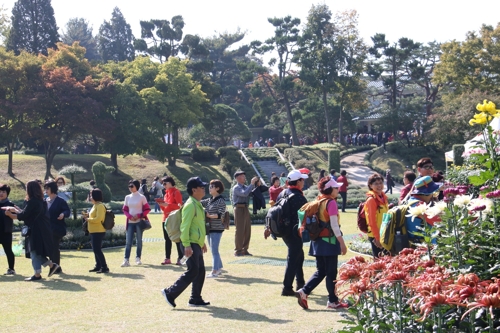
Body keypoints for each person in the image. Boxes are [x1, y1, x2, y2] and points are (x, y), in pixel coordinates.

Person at [295, 176, 349, 310]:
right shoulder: (331, 203)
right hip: (329, 242)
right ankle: (332, 301)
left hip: (318, 241)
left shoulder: (319, 200)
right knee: (331, 273)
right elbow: (335, 226)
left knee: (321, 271)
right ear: (330, 189)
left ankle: (304, 291)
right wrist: (342, 243)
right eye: (336, 187)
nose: (338, 189)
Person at [161, 177, 210, 308]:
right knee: (193, 270)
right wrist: (187, 244)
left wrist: (201, 242)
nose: (203, 189)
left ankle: (195, 298)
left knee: (200, 271)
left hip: (195, 242)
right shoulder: (190, 205)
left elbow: (198, 226)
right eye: (201, 187)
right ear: (194, 190)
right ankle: (170, 293)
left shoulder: (197, 204)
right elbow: (185, 226)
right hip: (190, 242)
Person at [3, 180, 58, 281]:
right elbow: (27, 214)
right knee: (36, 251)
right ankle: (51, 266)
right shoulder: (41, 200)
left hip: (36, 230)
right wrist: (15, 210)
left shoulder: (33, 201)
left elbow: (24, 215)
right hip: (41, 229)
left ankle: (38, 273)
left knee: (34, 251)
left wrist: (10, 215)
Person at [277, 170, 308, 296]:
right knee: (293, 258)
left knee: (298, 256)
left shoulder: (282, 193)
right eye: (302, 180)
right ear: (299, 181)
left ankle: (300, 282)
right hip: (295, 232)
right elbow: (306, 213)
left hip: (284, 231)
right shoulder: (299, 196)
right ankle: (287, 287)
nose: (304, 182)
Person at [122, 179, 151, 267]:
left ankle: (138, 258)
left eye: (132, 186)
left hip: (139, 222)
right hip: (130, 222)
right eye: (129, 186)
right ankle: (126, 259)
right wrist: (130, 216)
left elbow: (147, 209)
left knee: (139, 241)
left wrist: (139, 215)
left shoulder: (142, 197)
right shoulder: (127, 197)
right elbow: (124, 209)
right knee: (128, 241)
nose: (130, 188)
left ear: (137, 187)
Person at [201, 179, 227, 278]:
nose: (209, 188)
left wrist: (208, 215)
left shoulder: (221, 200)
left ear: (217, 188)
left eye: (212, 187)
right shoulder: (210, 199)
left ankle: (214, 271)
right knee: (213, 250)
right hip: (209, 228)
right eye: (210, 186)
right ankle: (219, 268)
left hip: (217, 228)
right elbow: (199, 202)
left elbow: (220, 215)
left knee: (214, 250)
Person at [405, 176, 441, 244]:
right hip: (422, 245)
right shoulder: (419, 206)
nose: (433, 195)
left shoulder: (411, 200)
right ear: (427, 193)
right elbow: (438, 221)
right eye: (432, 192)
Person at [44, 181, 70, 274]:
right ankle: (54, 267)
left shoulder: (60, 201)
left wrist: (63, 214)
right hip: (47, 229)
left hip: (56, 229)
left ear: (53, 189)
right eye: (45, 188)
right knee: (49, 248)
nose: (46, 190)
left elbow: (67, 211)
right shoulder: (45, 201)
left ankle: (56, 267)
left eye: (47, 188)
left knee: (54, 248)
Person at [231, 170, 258, 256]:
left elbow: (252, 193)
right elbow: (245, 194)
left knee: (247, 230)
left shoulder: (245, 186)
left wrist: (257, 185)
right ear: (238, 178)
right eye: (243, 176)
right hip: (239, 209)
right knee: (240, 230)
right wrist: (252, 183)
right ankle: (238, 250)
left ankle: (244, 249)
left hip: (245, 208)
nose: (244, 177)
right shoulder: (236, 188)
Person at [159, 176, 184, 265]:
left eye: (165, 183)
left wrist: (167, 204)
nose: (163, 185)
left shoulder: (176, 192)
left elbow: (179, 206)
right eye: (162, 184)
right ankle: (167, 258)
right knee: (167, 239)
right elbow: (165, 208)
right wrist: (161, 205)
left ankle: (180, 258)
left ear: (170, 183)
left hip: (174, 219)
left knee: (177, 238)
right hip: (165, 218)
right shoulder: (166, 194)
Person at [84, 188, 109, 273]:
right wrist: (87, 215)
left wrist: (88, 220)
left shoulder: (100, 206)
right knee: (95, 249)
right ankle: (98, 266)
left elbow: (99, 219)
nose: (90, 197)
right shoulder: (95, 205)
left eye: (91, 195)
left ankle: (104, 267)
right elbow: (94, 216)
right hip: (93, 231)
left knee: (97, 249)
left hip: (98, 231)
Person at [364, 173, 389, 258]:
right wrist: (377, 238)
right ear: (370, 186)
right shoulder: (371, 199)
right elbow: (371, 221)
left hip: (384, 233)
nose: (379, 186)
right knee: (379, 262)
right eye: (376, 184)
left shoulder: (383, 197)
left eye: (381, 183)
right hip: (376, 236)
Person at [0, 184, 16, 275]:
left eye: (3, 192)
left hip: (6, 231)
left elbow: (19, 214)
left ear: (7, 193)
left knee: (8, 250)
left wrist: (9, 214)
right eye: (0, 192)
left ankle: (11, 269)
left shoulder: (10, 204)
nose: (1, 193)